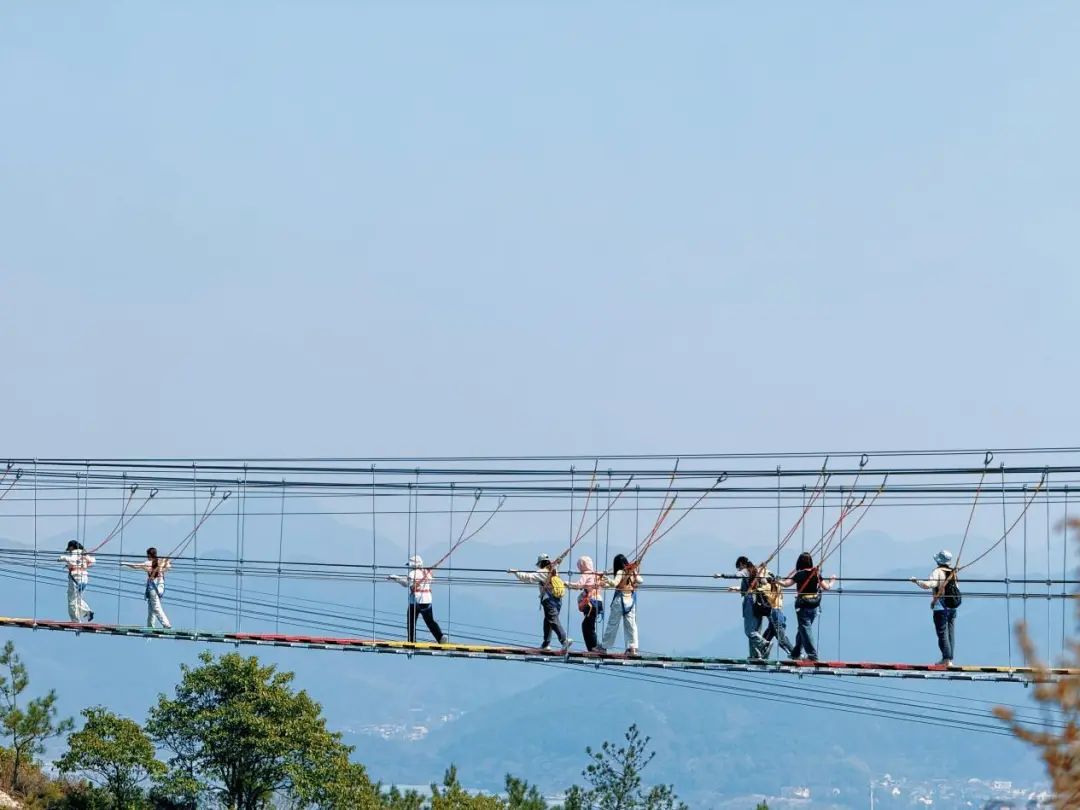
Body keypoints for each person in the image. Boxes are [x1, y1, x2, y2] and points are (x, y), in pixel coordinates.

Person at [777, 551, 835, 661]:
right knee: (802, 629)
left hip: (803, 605)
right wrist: (832, 581)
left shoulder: (800, 574)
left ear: (799, 562)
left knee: (805, 629)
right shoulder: (816, 574)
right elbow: (827, 587)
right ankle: (796, 653)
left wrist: (776, 580)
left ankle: (812, 655)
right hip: (814, 605)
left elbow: (786, 584)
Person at [509, 554, 573, 651]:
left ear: (541, 563)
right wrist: (560, 559)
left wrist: (516, 572)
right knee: (548, 621)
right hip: (558, 600)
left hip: (549, 600)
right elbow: (559, 561)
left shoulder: (542, 572)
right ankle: (546, 644)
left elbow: (527, 577)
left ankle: (564, 640)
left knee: (552, 620)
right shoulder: (554, 569)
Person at [910, 549, 959, 666]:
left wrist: (916, 581)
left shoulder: (937, 572)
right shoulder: (953, 573)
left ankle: (946, 659)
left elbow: (929, 584)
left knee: (942, 633)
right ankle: (949, 658)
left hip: (941, 607)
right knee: (951, 633)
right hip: (952, 607)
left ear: (939, 561)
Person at [388, 555, 446, 644]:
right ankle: (440, 637)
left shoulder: (413, 573)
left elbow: (406, 583)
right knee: (430, 621)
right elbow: (430, 579)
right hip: (426, 600)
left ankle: (412, 640)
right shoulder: (427, 572)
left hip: (415, 601)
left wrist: (395, 578)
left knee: (411, 622)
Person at [718, 556, 768, 660]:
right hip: (758, 601)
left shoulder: (745, 571)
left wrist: (722, 575)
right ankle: (755, 655)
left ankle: (764, 644)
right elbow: (764, 582)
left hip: (750, 601)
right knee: (755, 630)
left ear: (741, 564)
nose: (739, 569)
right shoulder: (755, 571)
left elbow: (736, 575)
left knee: (749, 631)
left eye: (738, 567)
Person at [596, 554, 641, 656]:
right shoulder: (632, 572)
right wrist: (634, 572)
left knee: (612, 625)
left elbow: (615, 583)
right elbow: (640, 581)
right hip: (630, 601)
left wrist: (606, 579)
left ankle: (604, 647)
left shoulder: (620, 572)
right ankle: (632, 648)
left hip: (619, 601)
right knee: (631, 625)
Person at [122, 547, 172, 629]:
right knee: (151, 607)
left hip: (153, 587)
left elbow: (136, 566)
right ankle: (150, 626)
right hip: (160, 587)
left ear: (149, 555)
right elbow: (169, 567)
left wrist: (125, 563)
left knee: (156, 607)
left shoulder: (149, 563)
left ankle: (166, 624)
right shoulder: (160, 562)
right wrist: (166, 562)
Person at [569, 555, 604, 652]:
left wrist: (567, 584)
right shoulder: (596, 575)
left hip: (591, 603)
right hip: (598, 602)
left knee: (587, 626)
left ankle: (594, 648)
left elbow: (578, 585)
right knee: (588, 625)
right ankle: (593, 648)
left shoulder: (587, 574)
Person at [58, 540, 95, 622]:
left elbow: (72, 560)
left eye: (69, 549)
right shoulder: (84, 553)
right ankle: (87, 611)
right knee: (77, 598)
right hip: (84, 578)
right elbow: (92, 560)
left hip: (75, 578)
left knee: (71, 600)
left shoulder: (75, 553)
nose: (69, 551)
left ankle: (75, 620)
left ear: (72, 547)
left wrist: (62, 558)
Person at [760, 573, 795, 659]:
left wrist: (762, 583)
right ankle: (761, 652)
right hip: (778, 613)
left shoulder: (770, 589)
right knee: (768, 635)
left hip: (775, 613)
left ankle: (795, 653)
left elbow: (761, 590)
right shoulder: (777, 588)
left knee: (781, 639)